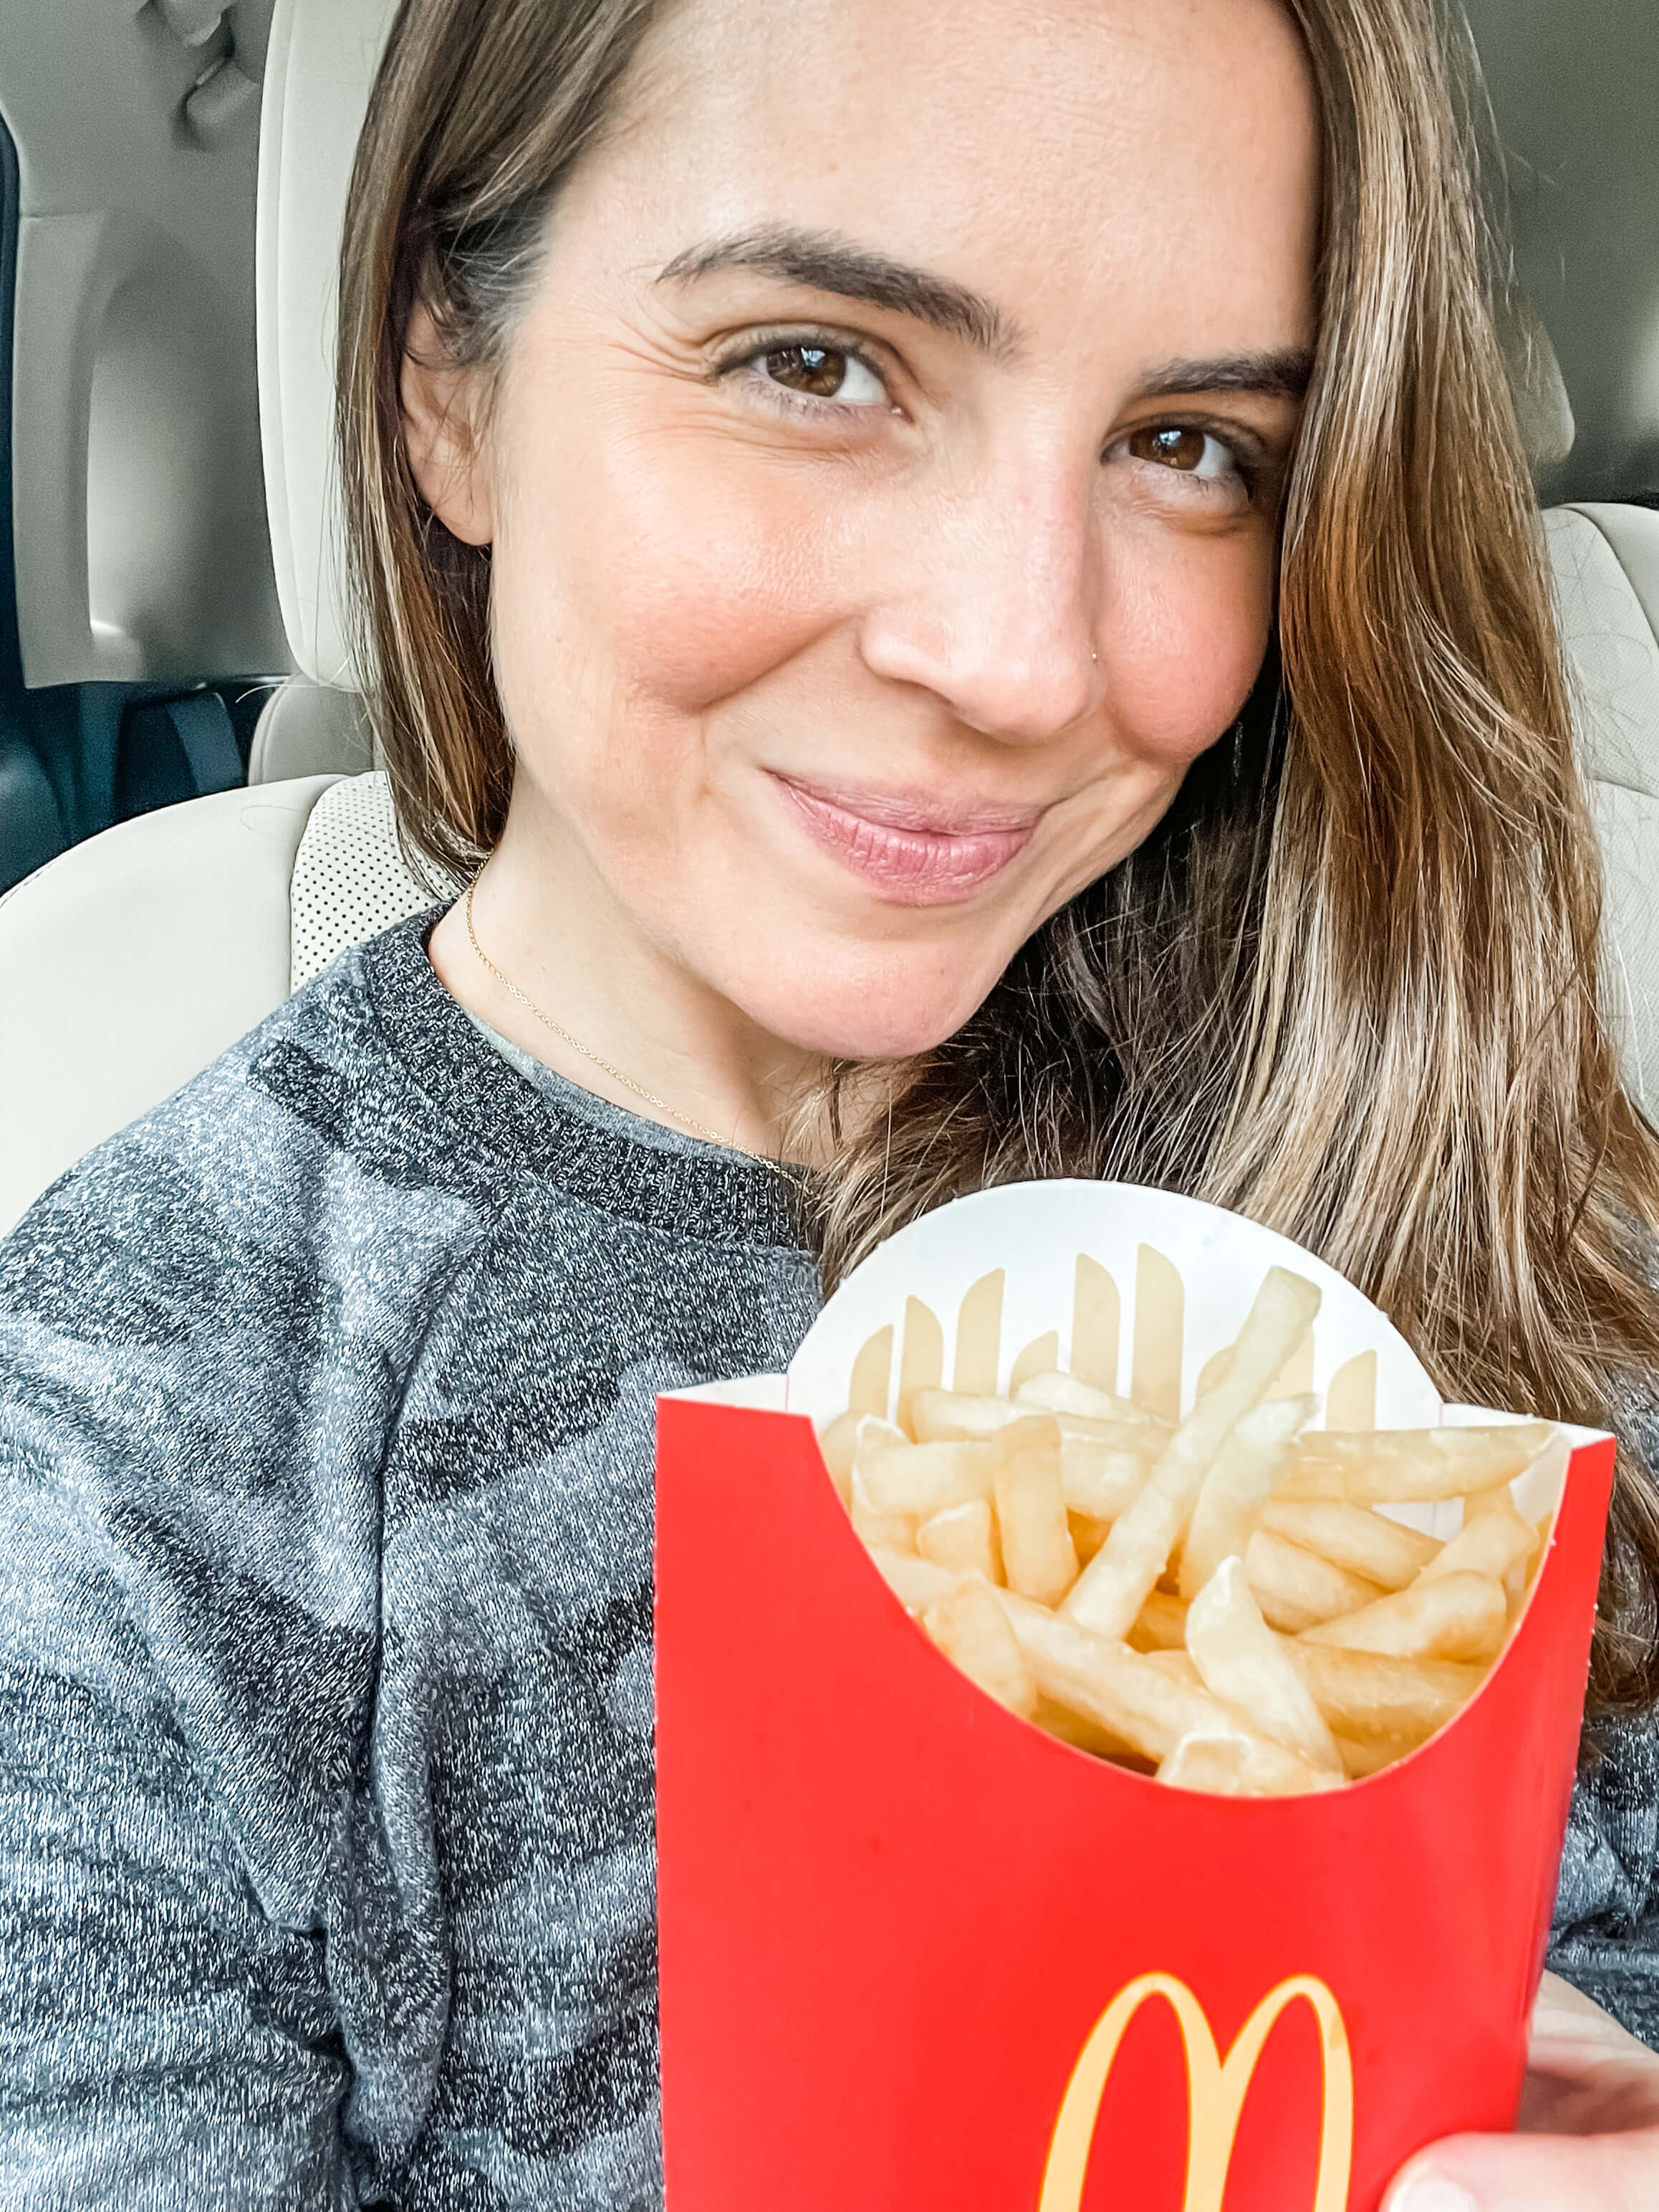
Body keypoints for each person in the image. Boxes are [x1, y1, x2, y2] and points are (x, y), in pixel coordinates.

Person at [2, 0, 1658, 2202]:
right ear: (445, 389)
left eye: (1188, 444)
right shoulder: (133, 1439)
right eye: (814, 363)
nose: (1020, 658)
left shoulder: (1459, 1142)